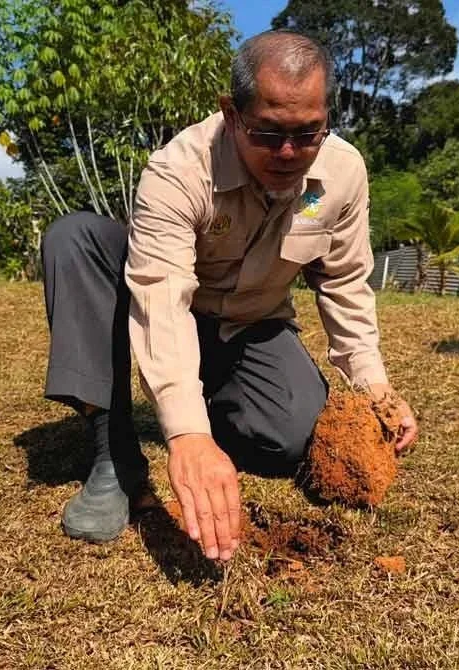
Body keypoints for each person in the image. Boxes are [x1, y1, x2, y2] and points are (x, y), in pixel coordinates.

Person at [40, 30, 417, 561]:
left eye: (308, 134)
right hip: (173, 308)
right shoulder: (179, 170)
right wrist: (186, 436)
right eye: (268, 133)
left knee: (289, 439)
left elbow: (344, 282)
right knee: (73, 239)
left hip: (251, 322)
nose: (289, 154)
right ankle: (115, 458)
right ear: (232, 113)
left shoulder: (340, 173)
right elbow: (161, 297)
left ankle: (217, 408)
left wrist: (375, 389)